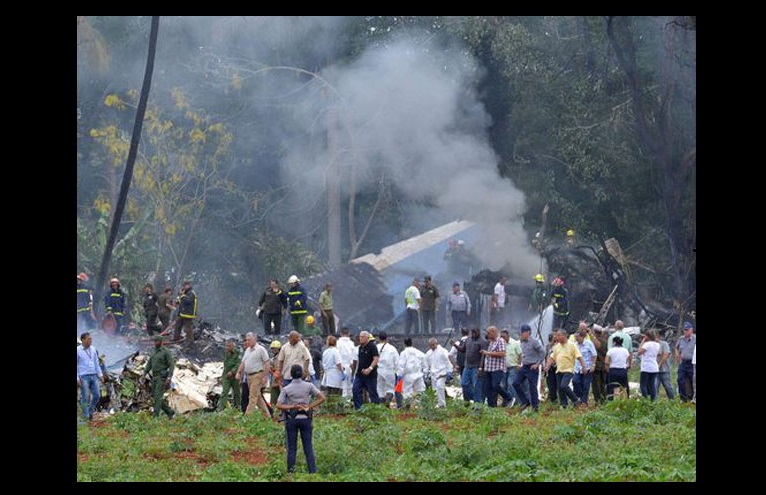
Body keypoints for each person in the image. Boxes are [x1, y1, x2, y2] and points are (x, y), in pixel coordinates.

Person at [276, 364, 325, 474]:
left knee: (292, 448)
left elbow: (279, 405)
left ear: (291, 375)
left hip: (292, 419)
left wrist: (292, 406)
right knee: (308, 447)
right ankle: (312, 472)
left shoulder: (286, 389)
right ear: (302, 374)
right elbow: (322, 397)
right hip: (306, 419)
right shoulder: (309, 386)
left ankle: (290, 472)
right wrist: (310, 406)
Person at [235, 332, 271, 419]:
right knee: (258, 397)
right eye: (246, 340)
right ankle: (267, 416)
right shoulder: (247, 350)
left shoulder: (261, 349)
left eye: (249, 340)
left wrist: (265, 376)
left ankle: (247, 417)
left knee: (252, 396)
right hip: (249, 376)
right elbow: (243, 363)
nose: (247, 342)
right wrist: (239, 372)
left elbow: (267, 363)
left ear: (255, 339)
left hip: (257, 375)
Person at [545, 329, 586, 408]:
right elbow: (552, 358)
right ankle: (564, 405)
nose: (557, 337)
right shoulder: (557, 347)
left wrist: (583, 367)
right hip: (559, 370)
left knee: (564, 385)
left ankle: (575, 400)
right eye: (556, 336)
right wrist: (547, 366)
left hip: (568, 370)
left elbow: (579, 357)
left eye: (559, 335)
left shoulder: (572, 345)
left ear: (564, 336)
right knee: (560, 389)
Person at [513, 324, 546, 413]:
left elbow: (543, 352)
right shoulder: (522, 342)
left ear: (528, 332)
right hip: (524, 366)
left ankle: (535, 407)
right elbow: (523, 355)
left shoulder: (534, 342)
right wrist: (519, 364)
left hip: (532, 367)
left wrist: (537, 364)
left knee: (532, 387)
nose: (521, 334)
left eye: (523, 332)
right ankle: (525, 401)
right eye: (521, 332)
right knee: (515, 383)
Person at [480, 326, 514, 407]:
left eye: (488, 333)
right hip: (489, 369)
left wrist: (488, 353)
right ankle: (491, 406)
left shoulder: (500, 341)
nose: (487, 335)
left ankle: (508, 397)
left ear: (493, 332)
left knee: (496, 385)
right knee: (489, 388)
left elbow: (502, 353)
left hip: (497, 368)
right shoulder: (491, 342)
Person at [144, 335, 175, 419]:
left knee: (158, 396)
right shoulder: (153, 352)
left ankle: (155, 416)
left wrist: (169, 378)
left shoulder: (165, 352)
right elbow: (149, 364)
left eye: (157, 341)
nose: (155, 343)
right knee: (155, 396)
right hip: (154, 377)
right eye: (154, 341)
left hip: (162, 377)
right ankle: (169, 411)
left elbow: (171, 365)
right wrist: (144, 373)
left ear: (161, 342)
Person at [77, 332, 104, 421]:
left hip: (94, 375)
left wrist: (100, 375)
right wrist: (77, 378)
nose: (90, 340)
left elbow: (96, 363)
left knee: (97, 395)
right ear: (83, 340)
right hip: (83, 376)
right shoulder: (78, 350)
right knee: (85, 397)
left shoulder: (93, 349)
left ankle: (90, 411)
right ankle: (86, 416)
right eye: (88, 339)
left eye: (91, 339)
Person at [352, 331, 380, 409]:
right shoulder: (360, 348)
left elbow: (376, 359)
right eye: (360, 337)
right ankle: (359, 409)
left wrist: (370, 368)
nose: (360, 338)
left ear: (367, 338)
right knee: (355, 390)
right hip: (360, 375)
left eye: (362, 337)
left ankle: (376, 410)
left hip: (370, 375)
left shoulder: (372, 346)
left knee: (372, 393)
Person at [458, 327, 486, 403]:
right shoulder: (468, 340)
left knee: (476, 385)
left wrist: (480, 368)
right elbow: (463, 350)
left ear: (479, 333)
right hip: (467, 366)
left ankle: (478, 403)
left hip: (476, 367)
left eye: (475, 333)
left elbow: (483, 355)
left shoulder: (482, 341)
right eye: (472, 332)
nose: (473, 334)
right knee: (464, 384)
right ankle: (476, 398)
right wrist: (455, 345)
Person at [397, 337, 426, 408]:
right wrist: (425, 372)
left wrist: (399, 375)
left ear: (404, 344)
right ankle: (422, 405)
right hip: (418, 374)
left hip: (408, 375)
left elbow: (401, 365)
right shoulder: (418, 352)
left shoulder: (404, 353)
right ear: (411, 343)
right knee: (420, 390)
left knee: (407, 391)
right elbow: (424, 362)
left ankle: (407, 406)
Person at [573, 328, 597, 405]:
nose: (576, 338)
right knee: (575, 382)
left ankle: (584, 402)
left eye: (577, 337)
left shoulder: (589, 344)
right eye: (575, 337)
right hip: (577, 368)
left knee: (586, 385)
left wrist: (593, 365)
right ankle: (578, 398)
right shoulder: (575, 345)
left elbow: (594, 355)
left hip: (587, 367)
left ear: (582, 337)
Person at [426, 337, 452, 407]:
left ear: (436, 344)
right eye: (430, 345)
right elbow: (427, 365)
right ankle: (437, 404)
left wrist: (449, 371)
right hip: (433, 374)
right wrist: (426, 373)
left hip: (442, 373)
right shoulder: (428, 353)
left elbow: (448, 361)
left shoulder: (443, 351)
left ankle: (442, 404)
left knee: (440, 387)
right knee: (435, 390)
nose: (432, 347)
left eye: (433, 345)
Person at [376, 331, 400, 407]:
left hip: (379, 370)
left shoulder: (376, 347)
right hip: (390, 370)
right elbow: (397, 362)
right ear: (387, 338)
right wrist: (397, 372)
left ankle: (382, 406)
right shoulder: (392, 348)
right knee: (390, 389)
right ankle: (387, 404)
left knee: (380, 389)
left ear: (378, 338)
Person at [217, 338, 241, 411]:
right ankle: (220, 408)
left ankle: (237, 407)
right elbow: (225, 365)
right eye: (226, 346)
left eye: (229, 346)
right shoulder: (225, 353)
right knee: (225, 392)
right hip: (226, 375)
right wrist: (222, 376)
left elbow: (239, 364)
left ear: (232, 346)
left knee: (236, 392)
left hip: (234, 376)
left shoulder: (237, 352)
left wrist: (233, 371)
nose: (227, 348)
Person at [675, 321, 696, 402]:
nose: (685, 332)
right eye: (684, 330)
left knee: (692, 380)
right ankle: (683, 398)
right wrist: (677, 355)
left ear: (691, 330)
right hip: (683, 362)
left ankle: (692, 397)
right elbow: (676, 347)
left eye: (687, 330)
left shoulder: (695, 339)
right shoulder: (681, 339)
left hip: (692, 363)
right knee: (680, 379)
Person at [605, 336, 632, 400]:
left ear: (614, 343)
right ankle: (625, 405)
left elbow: (606, 362)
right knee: (624, 389)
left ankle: (616, 406)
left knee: (615, 390)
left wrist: (607, 369)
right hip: (623, 371)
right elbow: (630, 358)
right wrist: (628, 365)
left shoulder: (610, 350)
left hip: (613, 371)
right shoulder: (625, 350)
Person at [500, 329, 522, 405]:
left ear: (508, 336)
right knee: (503, 385)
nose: (502, 338)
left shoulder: (514, 343)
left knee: (510, 383)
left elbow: (520, 354)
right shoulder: (500, 344)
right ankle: (506, 401)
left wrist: (519, 364)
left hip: (513, 367)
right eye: (501, 336)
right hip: (503, 368)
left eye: (504, 336)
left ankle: (514, 400)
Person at [173, 280, 197, 347]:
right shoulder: (185, 293)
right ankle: (175, 338)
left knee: (188, 329)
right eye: (183, 285)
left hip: (188, 314)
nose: (183, 287)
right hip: (182, 314)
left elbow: (188, 301)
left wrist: (182, 295)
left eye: (185, 285)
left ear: (189, 285)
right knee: (177, 325)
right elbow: (181, 300)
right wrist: (177, 301)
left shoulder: (191, 293)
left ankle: (190, 342)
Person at [638, 330, 661, 401]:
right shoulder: (657, 344)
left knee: (643, 385)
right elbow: (659, 353)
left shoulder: (647, 344)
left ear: (648, 336)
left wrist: (642, 341)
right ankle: (653, 400)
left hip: (646, 367)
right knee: (652, 385)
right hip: (654, 367)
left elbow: (639, 352)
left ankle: (645, 400)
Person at [591, 324, 609, 404]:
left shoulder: (593, 342)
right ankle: (604, 399)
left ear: (594, 332)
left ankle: (598, 401)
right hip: (604, 366)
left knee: (596, 385)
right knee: (603, 384)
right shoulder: (606, 341)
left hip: (596, 366)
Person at [336, 327, 355, 397]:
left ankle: (344, 404)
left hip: (341, 367)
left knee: (343, 386)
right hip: (350, 366)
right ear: (348, 333)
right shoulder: (351, 343)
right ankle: (350, 403)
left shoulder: (338, 343)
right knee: (350, 386)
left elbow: (337, 356)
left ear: (340, 334)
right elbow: (354, 356)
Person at [655, 334, 675, 399]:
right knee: (655, 386)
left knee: (667, 386)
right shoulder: (651, 345)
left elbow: (665, 355)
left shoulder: (664, 344)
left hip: (664, 370)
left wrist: (659, 365)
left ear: (658, 337)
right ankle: (655, 402)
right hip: (655, 371)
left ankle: (672, 400)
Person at [267, 340, 283, 409]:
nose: (273, 350)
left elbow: (278, 369)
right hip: (275, 381)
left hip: (280, 381)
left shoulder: (280, 358)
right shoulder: (273, 358)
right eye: (272, 348)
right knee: (274, 399)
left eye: (275, 348)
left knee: (280, 399)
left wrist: (272, 370)